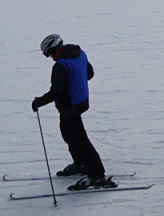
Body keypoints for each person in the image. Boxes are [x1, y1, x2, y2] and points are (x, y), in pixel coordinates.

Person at [32, 33, 113, 190]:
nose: (48, 57)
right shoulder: (79, 54)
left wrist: (38, 102)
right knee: (67, 133)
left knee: (80, 140)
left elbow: (56, 92)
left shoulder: (60, 66)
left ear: (53, 49)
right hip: (81, 102)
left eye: (47, 53)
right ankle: (81, 163)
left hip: (69, 107)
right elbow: (89, 73)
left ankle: (97, 175)